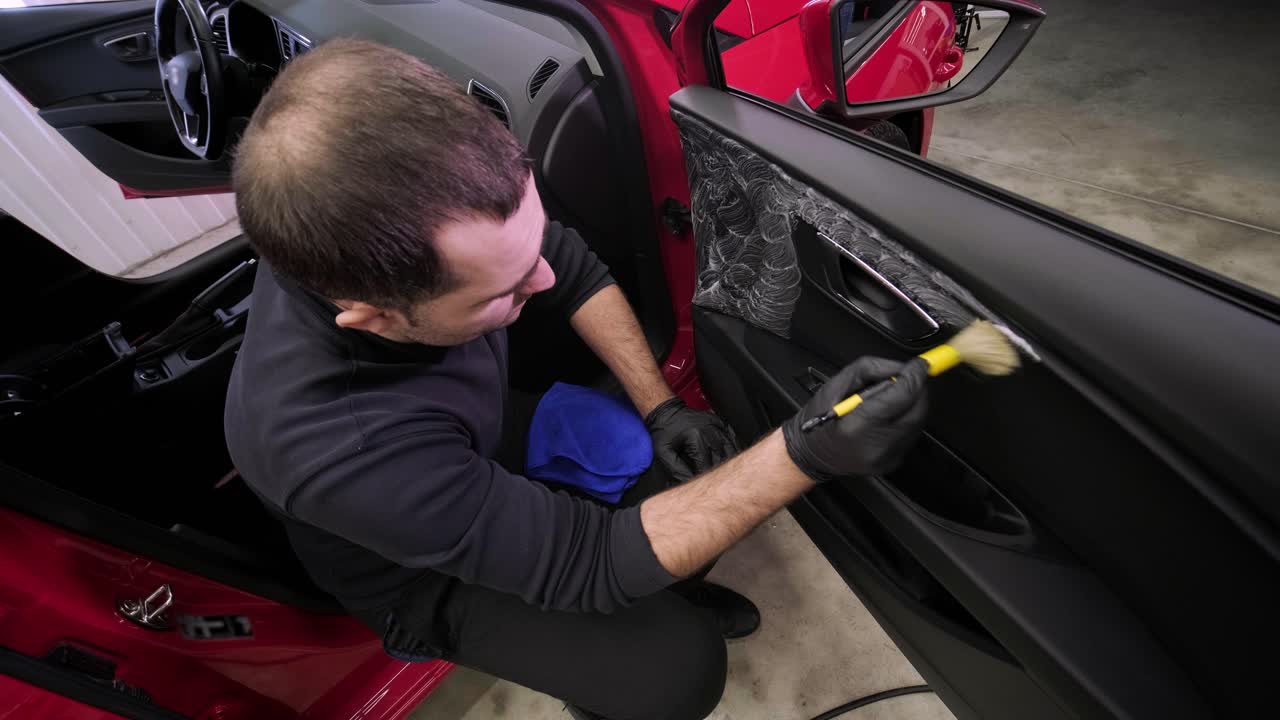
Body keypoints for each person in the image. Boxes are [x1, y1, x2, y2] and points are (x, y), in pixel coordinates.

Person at [224, 39, 929, 720]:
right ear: (376, 318)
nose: (548, 276)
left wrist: (662, 411)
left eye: (530, 246)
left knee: (686, 470)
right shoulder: (336, 449)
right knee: (676, 675)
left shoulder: (384, 221)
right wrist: (807, 453)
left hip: (474, 436)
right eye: (503, 292)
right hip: (421, 572)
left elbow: (572, 264)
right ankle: (603, 690)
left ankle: (656, 594)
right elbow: (589, 560)